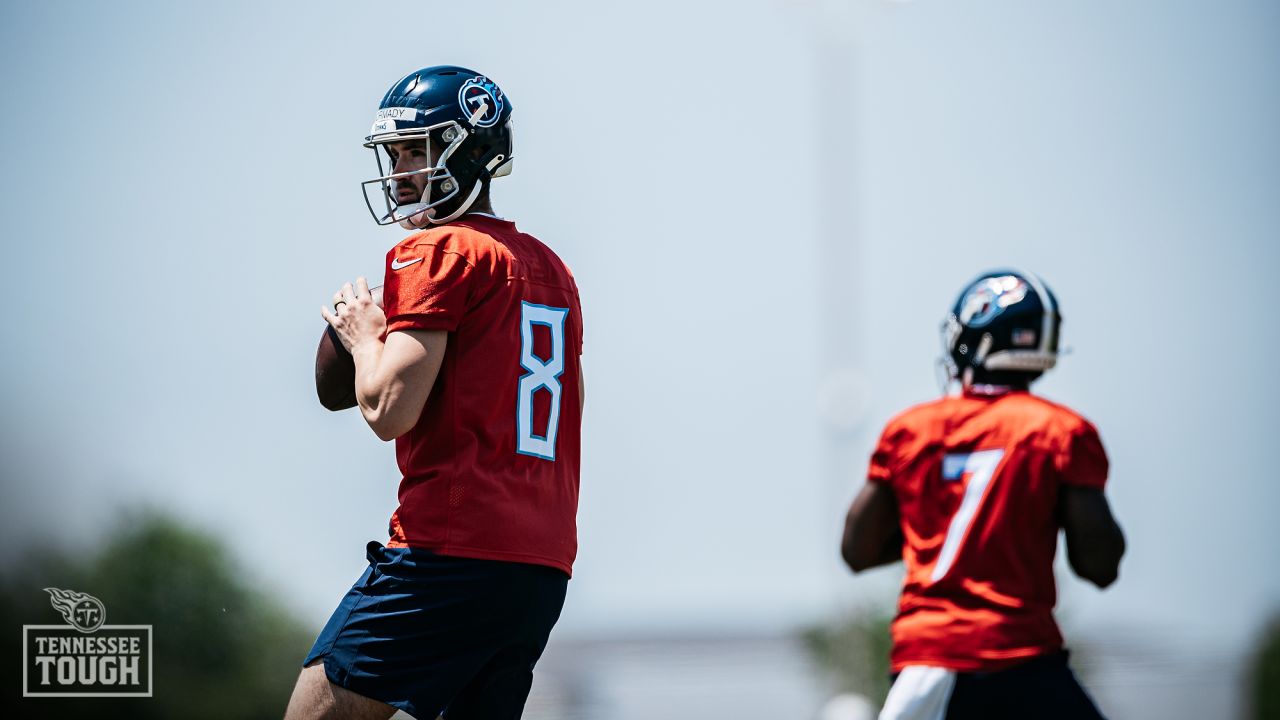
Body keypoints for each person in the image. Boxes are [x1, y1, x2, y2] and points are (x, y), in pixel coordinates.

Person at [285, 66, 585, 720]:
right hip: (539, 566)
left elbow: (388, 409)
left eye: (415, 150)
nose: (399, 169)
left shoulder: (438, 250)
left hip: (450, 552)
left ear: (471, 150)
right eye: (393, 153)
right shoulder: (549, 267)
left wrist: (364, 335)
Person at [841, 270, 1124, 720]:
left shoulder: (911, 431)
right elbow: (1100, 566)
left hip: (929, 665)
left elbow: (857, 550)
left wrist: (930, 533)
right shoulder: (1060, 431)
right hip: (1026, 662)